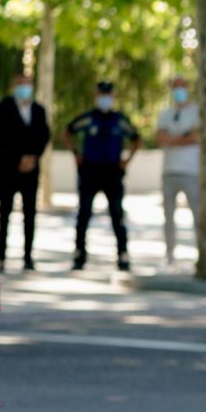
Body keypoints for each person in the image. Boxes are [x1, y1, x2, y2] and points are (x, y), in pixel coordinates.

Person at [64, 81, 141, 271]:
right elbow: (67, 132)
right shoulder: (88, 118)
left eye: (108, 95)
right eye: (101, 95)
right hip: (90, 171)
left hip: (112, 172)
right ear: (95, 96)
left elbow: (136, 138)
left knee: (117, 214)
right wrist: (76, 154)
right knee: (84, 213)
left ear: (114, 97)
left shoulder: (119, 120)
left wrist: (127, 161)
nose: (105, 99)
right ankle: (79, 254)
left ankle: (122, 254)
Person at [0, 73, 51, 272]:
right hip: (8, 168)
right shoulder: (3, 107)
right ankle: (1, 256)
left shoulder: (38, 110)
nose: (24, 88)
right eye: (20, 84)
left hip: (31, 169)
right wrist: (18, 159)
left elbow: (44, 136)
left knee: (30, 213)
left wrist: (32, 157)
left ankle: (28, 256)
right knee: (5, 213)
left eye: (27, 84)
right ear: (14, 85)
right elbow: (1, 135)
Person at [155, 76, 200, 264]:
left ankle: (201, 253)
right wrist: (184, 137)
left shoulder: (197, 112)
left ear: (187, 87)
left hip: (192, 172)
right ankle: (170, 255)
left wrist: (172, 139)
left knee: (197, 215)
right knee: (168, 216)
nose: (179, 90)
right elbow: (160, 137)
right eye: (175, 87)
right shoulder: (166, 113)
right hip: (169, 171)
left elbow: (196, 136)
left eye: (181, 86)